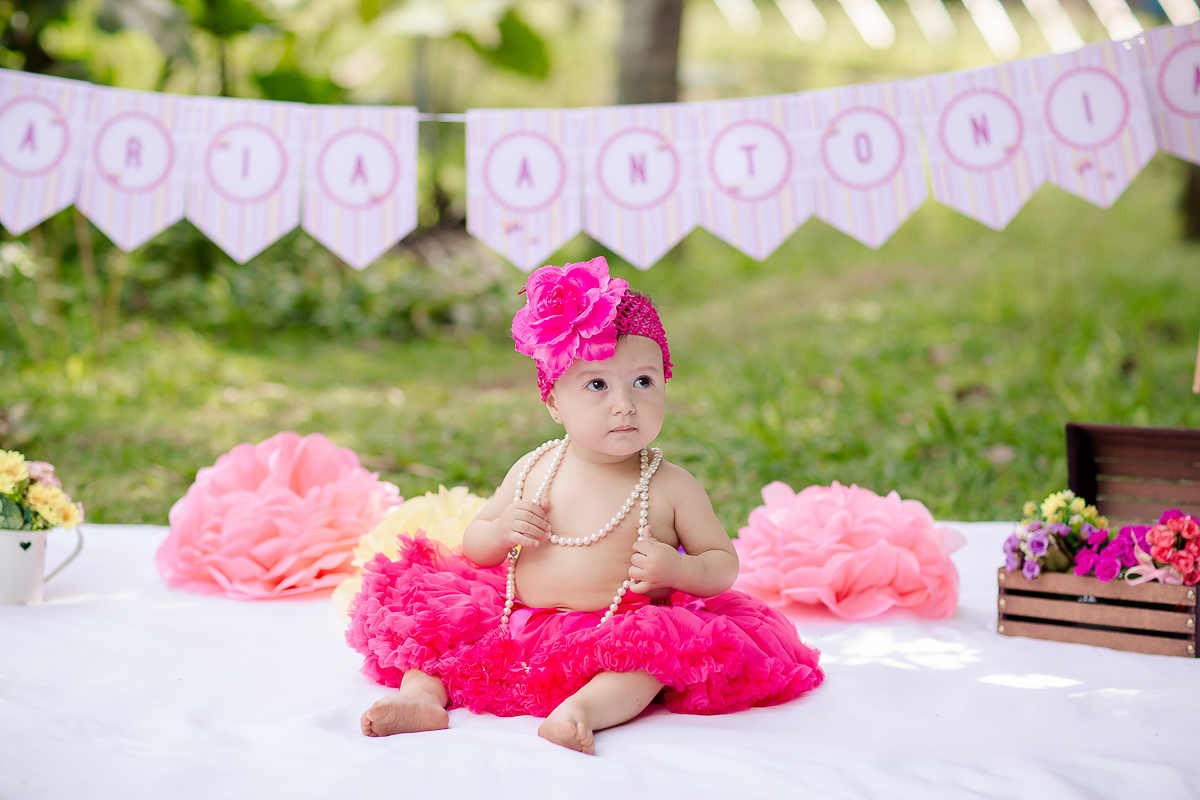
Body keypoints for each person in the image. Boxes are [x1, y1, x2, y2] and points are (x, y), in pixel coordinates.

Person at [347, 257, 823, 754]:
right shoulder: (534, 469)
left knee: (650, 665)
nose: (625, 404)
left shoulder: (670, 487)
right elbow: (477, 547)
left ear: (665, 382)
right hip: (517, 616)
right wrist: (503, 530)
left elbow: (723, 565)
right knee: (438, 632)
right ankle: (423, 699)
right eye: (597, 385)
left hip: (615, 630)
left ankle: (581, 711)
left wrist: (678, 572)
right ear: (553, 401)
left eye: (643, 381)